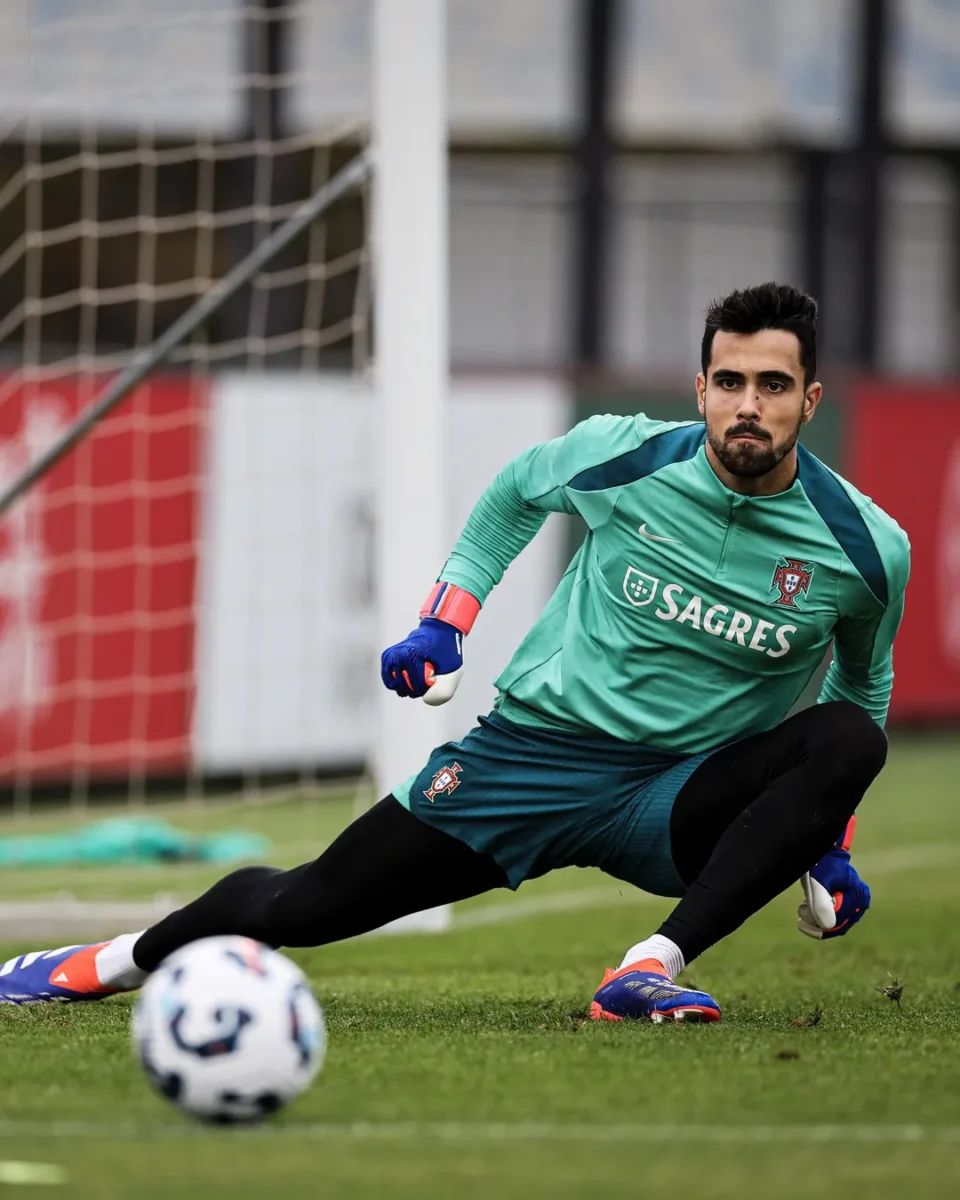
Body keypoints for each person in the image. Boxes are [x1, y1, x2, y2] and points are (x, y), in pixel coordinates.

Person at [0, 283, 908, 1023]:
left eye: (774, 386)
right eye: (731, 380)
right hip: (535, 759)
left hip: (683, 796)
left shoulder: (865, 548)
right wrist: (447, 620)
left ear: (810, 399)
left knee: (843, 742)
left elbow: (865, 686)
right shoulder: (624, 458)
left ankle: (648, 966)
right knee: (305, 906)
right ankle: (112, 962)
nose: (750, 405)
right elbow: (515, 494)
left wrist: (831, 843)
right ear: (702, 388)